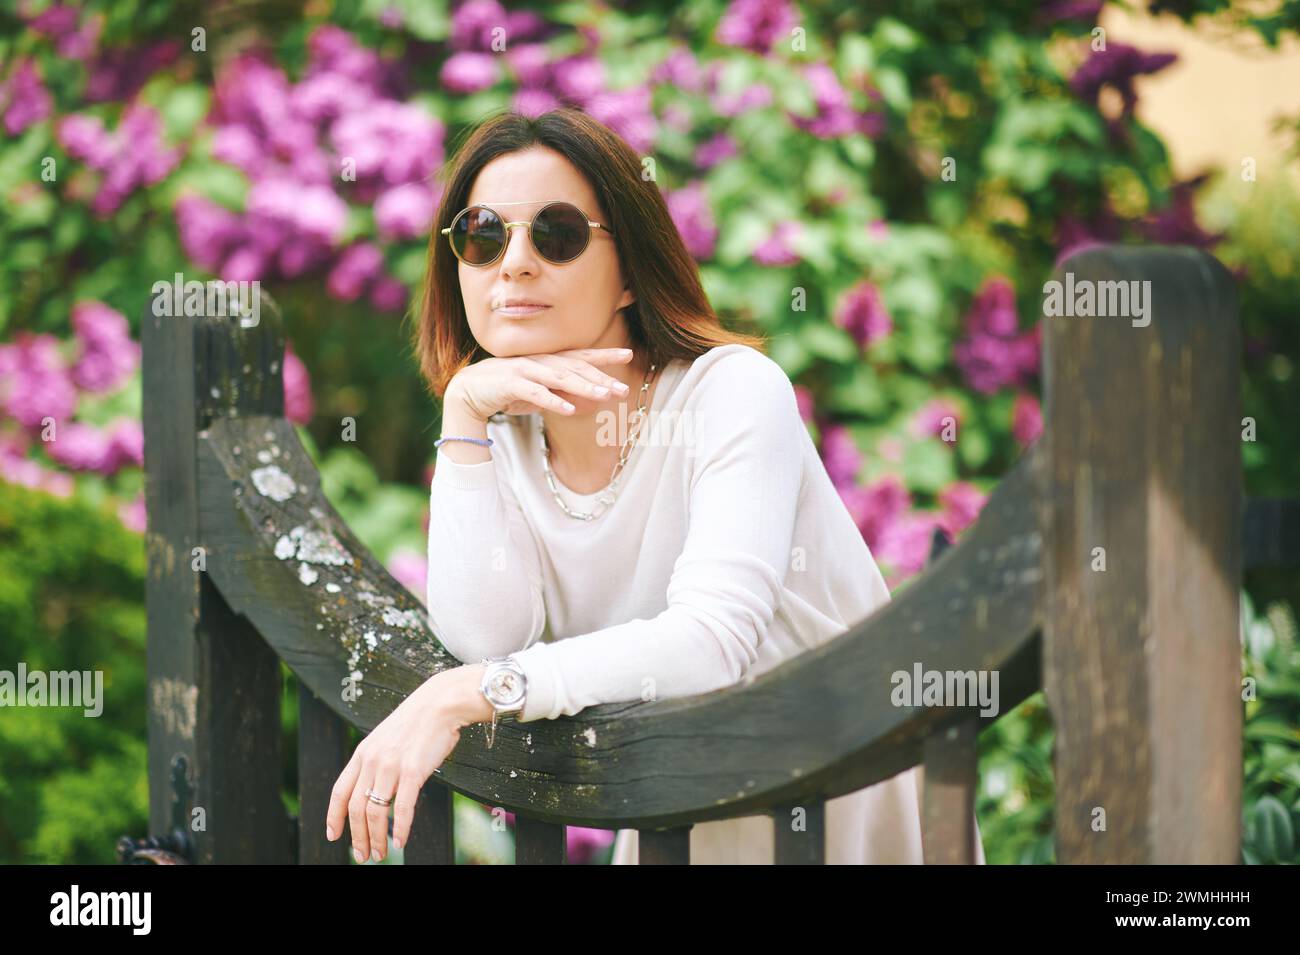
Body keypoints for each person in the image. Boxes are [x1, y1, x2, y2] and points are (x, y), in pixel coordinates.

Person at [325, 106, 986, 865]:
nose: (512, 264)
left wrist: (465, 693)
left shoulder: (732, 392)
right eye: (481, 235)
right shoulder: (499, 429)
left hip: (830, 807)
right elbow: (483, 637)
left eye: (557, 234)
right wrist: (463, 410)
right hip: (678, 815)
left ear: (632, 273)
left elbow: (710, 643)